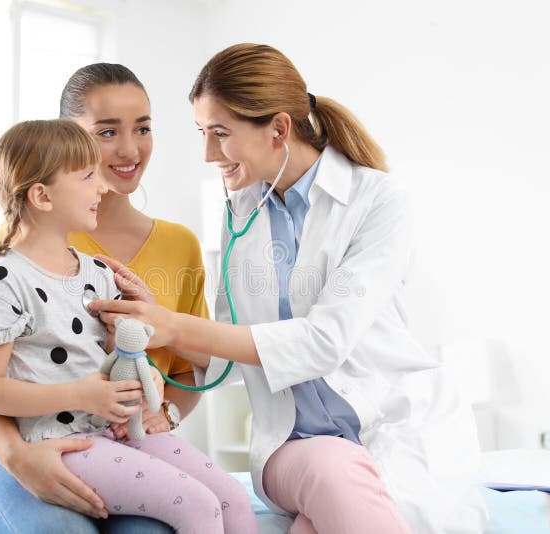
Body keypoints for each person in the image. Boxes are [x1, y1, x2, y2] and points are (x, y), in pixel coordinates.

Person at [90, 44, 487, 534]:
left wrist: (172, 326)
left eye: (220, 134)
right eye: (202, 134)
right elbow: (228, 349)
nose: (208, 154)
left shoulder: (378, 201)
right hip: (296, 447)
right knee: (334, 469)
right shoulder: (241, 209)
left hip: (395, 430)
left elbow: (325, 341)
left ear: (278, 128)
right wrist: (164, 328)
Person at [0, 119, 257, 534]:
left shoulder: (97, 273)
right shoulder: (4, 281)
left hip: (118, 432)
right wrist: (81, 394)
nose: (101, 187)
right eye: (87, 176)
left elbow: (117, 357)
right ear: (42, 196)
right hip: (63, 441)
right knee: (197, 505)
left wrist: (141, 371)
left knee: (233, 499)